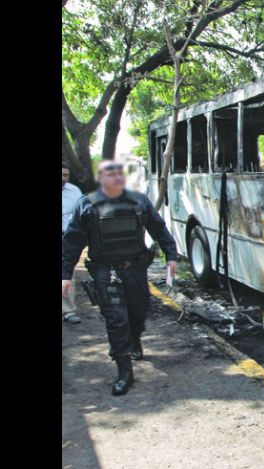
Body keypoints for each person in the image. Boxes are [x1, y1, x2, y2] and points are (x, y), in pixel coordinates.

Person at [62, 160, 178, 396]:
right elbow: (72, 244)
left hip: (135, 270)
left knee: (138, 312)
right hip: (106, 272)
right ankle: (125, 372)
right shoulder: (86, 205)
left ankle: (135, 341)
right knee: (116, 320)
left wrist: (171, 256)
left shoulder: (139, 201)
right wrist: (65, 275)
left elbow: (159, 228)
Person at [62, 161, 84, 325]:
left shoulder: (74, 191)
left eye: (65, 175)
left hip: (67, 237)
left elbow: (81, 214)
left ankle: (68, 311)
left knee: (66, 272)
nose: (63, 178)